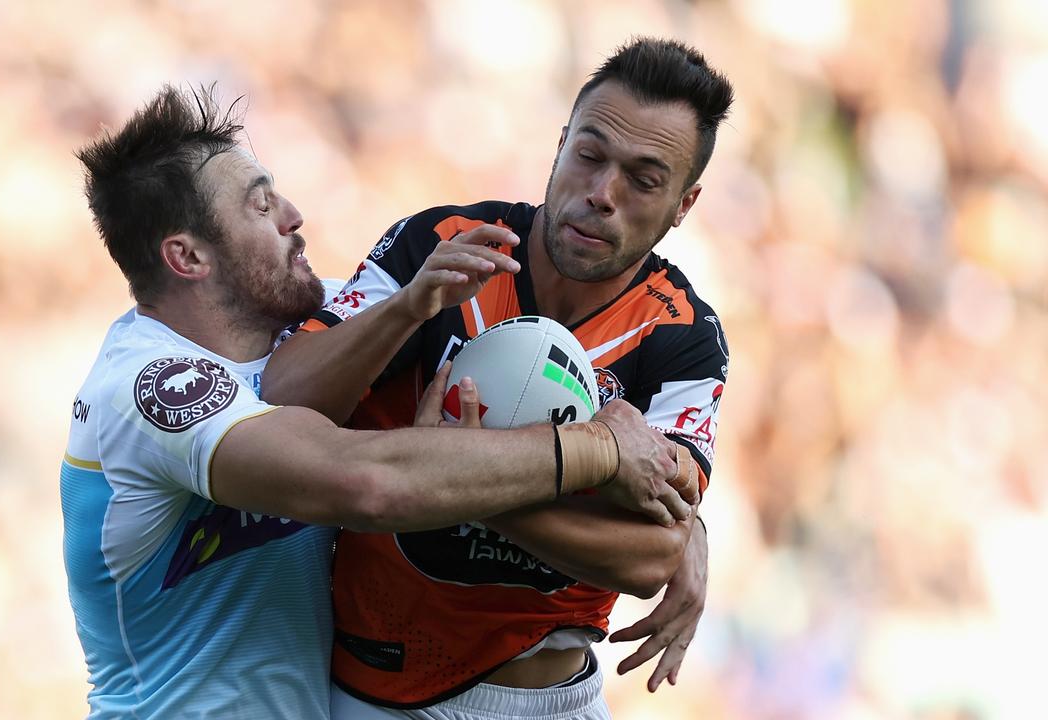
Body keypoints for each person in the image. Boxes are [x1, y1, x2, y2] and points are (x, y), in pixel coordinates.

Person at [62, 85, 700, 719]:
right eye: (259, 207)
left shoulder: (309, 324)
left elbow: (396, 331)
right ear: (188, 256)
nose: (293, 214)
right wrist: (601, 447)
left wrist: (690, 524)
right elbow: (366, 482)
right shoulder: (151, 387)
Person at [263, 37, 734, 719]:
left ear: (683, 205)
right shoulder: (440, 245)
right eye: (589, 156)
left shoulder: (682, 336)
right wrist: (406, 309)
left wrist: (449, 483)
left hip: (562, 697)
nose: (602, 194)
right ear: (561, 143)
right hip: (385, 694)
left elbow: (649, 555)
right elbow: (279, 405)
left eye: (643, 178)